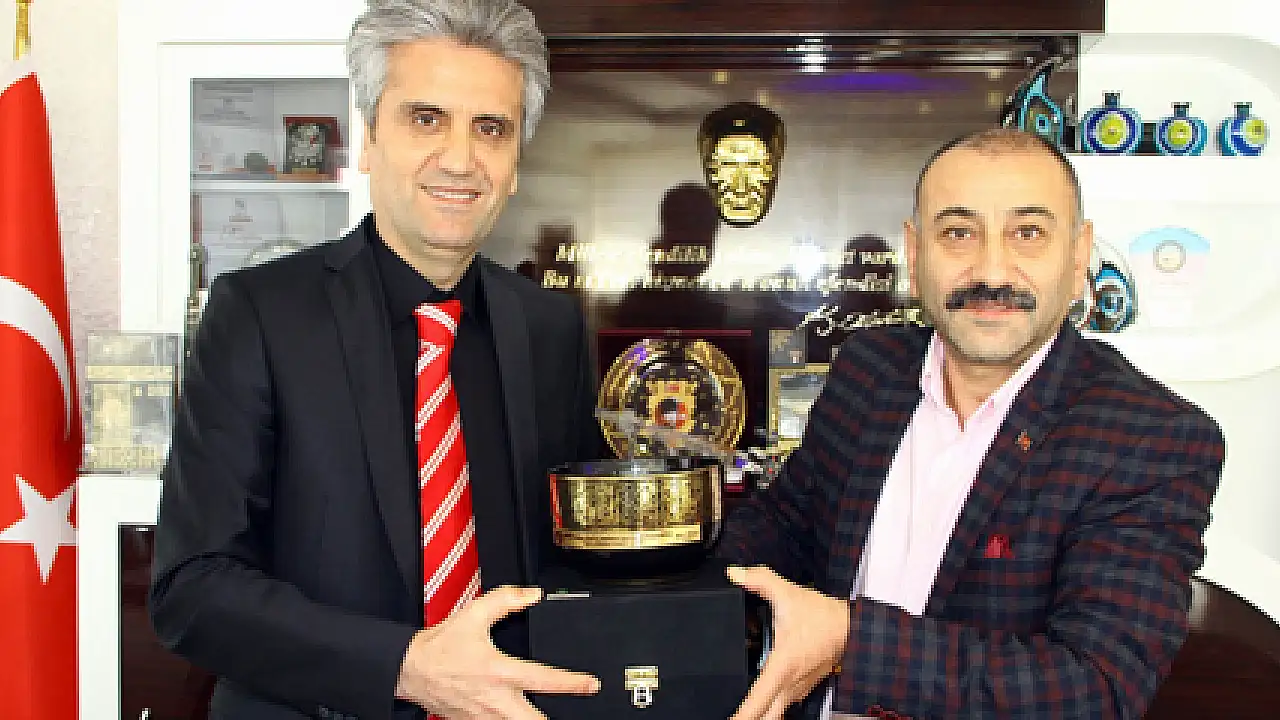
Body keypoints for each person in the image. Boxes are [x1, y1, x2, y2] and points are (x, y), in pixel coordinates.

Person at [148, 2, 603, 718]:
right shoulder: (259, 315)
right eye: (426, 119)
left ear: (515, 162)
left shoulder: (550, 328)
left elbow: (579, 549)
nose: (460, 159)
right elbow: (192, 587)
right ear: (367, 139)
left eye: (491, 128)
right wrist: (406, 668)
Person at [718, 127, 1225, 720]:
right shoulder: (870, 369)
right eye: (959, 233)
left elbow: (1096, 687)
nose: (991, 271)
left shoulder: (1150, 436)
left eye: (1027, 233)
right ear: (915, 254)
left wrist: (849, 641)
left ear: (1079, 255)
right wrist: (643, 587)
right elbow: (783, 526)